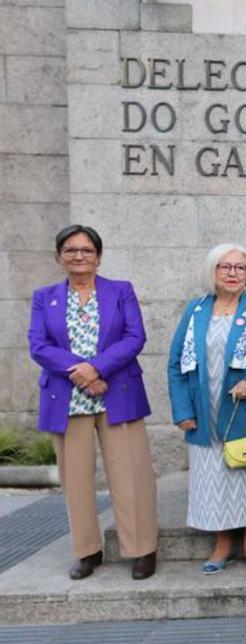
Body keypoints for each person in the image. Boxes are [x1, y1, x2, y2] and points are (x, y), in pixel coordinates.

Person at [28, 225, 158, 581]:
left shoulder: (120, 291)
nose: (79, 256)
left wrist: (97, 368)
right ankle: (87, 551)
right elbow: (39, 345)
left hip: (118, 392)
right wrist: (82, 373)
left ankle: (142, 549)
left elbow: (135, 337)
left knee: (131, 475)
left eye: (86, 250)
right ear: (59, 257)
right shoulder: (44, 297)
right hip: (67, 399)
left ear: (98, 257)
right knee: (76, 480)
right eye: (70, 250)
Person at [167, 243, 246, 575]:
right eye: (225, 267)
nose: (233, 273)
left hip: (245, 409)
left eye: (240, 268)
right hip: (205, 408)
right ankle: (223, 543)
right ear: (212, 272)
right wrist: (182, 409)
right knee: (212, 477)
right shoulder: (196, 310)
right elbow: (175, 364)